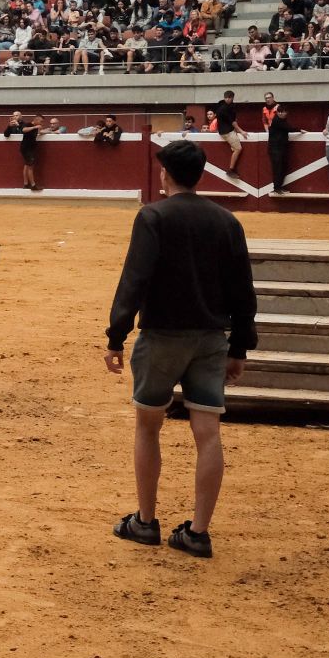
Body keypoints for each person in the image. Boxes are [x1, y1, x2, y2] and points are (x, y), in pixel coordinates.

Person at [106, 139, 257, 560]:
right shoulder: (226, 221)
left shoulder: (153, 216)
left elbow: (133, 280)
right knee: (208, 433)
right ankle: (198, 533)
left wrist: (116, 336)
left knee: (148, 426)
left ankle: (146, 522)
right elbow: (242, 291)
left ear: (164, 174)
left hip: (162, 337)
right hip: (211, 338)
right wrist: (240, 346)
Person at [7, 111, 41, 190]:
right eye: (40, 121)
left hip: (28, 148)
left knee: (27, 165)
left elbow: (37, 133)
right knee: (30, 166)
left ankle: (26, 184)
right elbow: (23, 130)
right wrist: (10, 126)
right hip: (27, 148)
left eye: (16, 115)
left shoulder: (33, 126)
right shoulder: (29, 125)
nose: (41, 123)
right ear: (36, 120)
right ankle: (33, 185)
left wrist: (47, 130)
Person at [266, 104, 294, 194]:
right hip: (275, 149)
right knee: (278, 169)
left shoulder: (281, 120)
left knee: (282, 168)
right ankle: (277, 187)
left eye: (284, 112)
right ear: (277, 112)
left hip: (280, 148)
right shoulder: (277, 121)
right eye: (280, 112)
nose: (282, 113)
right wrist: (300, 129)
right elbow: (288, 128)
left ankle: (279, 186)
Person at [216, 90, 244, 177]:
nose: (227, 99)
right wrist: (241, 131)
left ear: (232, 98)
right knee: (238, 149)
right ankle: (231, 170)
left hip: (226, 130)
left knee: (235, 148)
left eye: (229, 98)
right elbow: (232, 122)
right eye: (226, 98)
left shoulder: (225, 106)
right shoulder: (224, 108)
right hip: (227, 131)